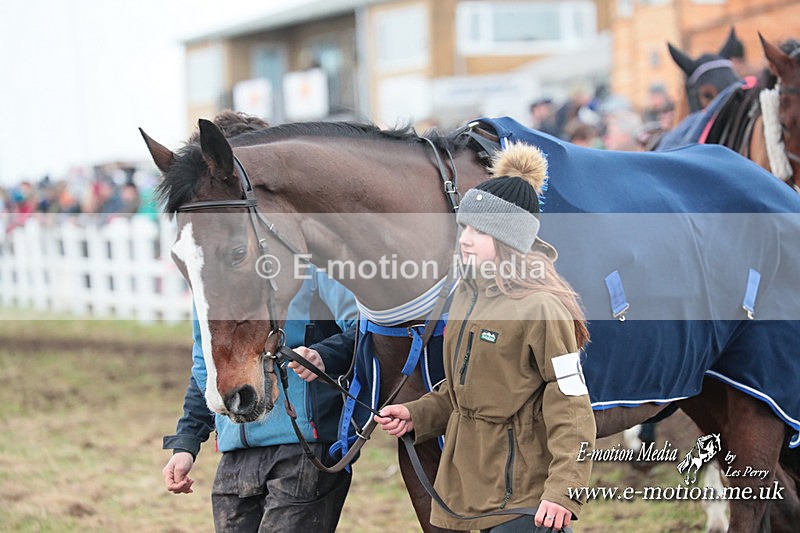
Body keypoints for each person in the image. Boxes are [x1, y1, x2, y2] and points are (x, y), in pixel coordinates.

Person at [375, 143, 596, 532]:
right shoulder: (464, 294)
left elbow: (572, 405)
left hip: (521, 500)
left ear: (509, 238)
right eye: (464, 227)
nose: (464, 239)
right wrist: (418, 414)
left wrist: (563, 490)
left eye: (479, 230)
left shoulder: (542, 308)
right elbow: (464, 390)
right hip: (459, 493)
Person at [162, 266, 358, 532]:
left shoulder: (313, 265)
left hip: (304, 448)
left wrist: (323, 354)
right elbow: (208, 369)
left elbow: (362, 329)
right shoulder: (209, 282)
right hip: (235, 454)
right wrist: (186, 444)